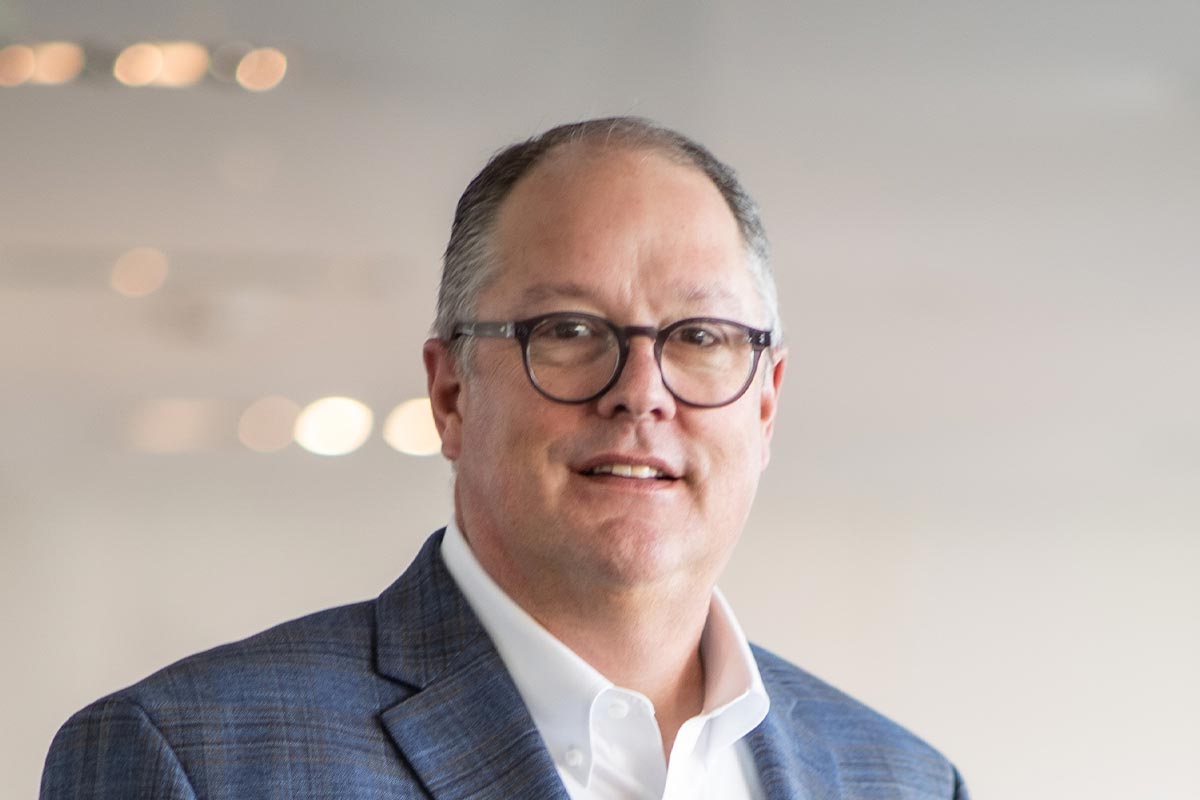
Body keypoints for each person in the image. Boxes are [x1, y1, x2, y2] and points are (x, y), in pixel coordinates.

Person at [41, 117, 969, 799]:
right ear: (451, 393)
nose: (640, 389)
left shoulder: (908, 783)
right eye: (567, 329)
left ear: (765, 404)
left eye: (699, 336)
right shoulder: (193, 761)